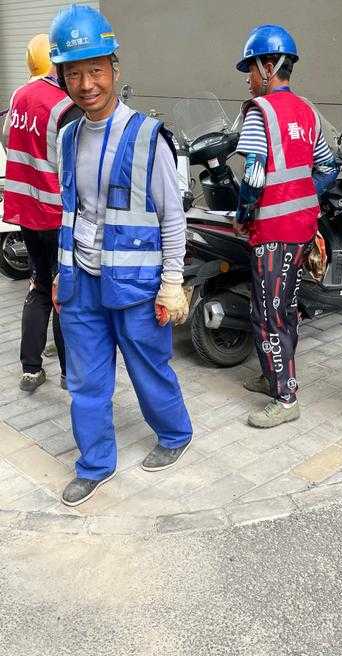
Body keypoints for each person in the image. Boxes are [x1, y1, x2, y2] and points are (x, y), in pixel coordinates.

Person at [49, 4, 192, 506]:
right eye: (74, 72)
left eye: (95, 69)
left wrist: (172, 282)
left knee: (148, 365)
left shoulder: (148, 137)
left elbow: (173, 217)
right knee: (86, 379)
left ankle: (174, 434)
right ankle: (95, 463)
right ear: (62, 76)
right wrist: (57, 276)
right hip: (81, 280)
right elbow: (69, 211)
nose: (86, 83)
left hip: (135, 281)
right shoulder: (66, 136)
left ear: (114, 67)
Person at [235, 24, 337, 429]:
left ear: (268, 66)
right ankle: (271, 375)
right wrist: (303, 194)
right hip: (301, 229)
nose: (248, 78)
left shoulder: (260, 113)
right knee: (284, 308)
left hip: (272, 232)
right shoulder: (308, 112)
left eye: (250, 69)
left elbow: (254, 177)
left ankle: (285, 397)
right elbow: (328, 167)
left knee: (268, 314)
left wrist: (244, 215)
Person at [3, 33, 80, 392]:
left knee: (37, 283)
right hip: (56, 214)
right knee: (62, 289)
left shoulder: (18, 96)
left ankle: (31, 369)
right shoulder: (65, 106)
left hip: (26, 213)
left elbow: (7, 138)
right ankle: (69, 373)